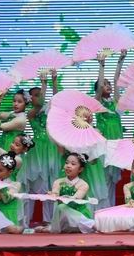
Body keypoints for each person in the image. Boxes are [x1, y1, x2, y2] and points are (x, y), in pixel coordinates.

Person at [22, 68, 63, 225]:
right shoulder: (31, 113)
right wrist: (43, 83)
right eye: (36, 95)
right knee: (35, 184)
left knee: (52, 183)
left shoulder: (49, 110)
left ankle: (50, 220)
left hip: (51, 148)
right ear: (29, 98)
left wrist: (54, 81)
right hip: (38, 150)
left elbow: (57, 99)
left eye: (40, 94)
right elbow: (39, 104)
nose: (40, 97)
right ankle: (26, 219)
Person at [94, 49, 127, 206]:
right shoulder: (98, 102)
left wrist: (121, 58)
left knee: (113, 179)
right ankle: (101, 209)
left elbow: (116, 79)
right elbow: (100, 85)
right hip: (104, 144)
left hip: (117, 144)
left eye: (108, 84)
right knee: (104, 177)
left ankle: (110, 209)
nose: (107, 86)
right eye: (104, 84)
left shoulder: (115, 101)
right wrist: (102, 64)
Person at [36, 153, 94, 233]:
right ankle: (51, 228)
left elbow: (77, 197)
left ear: (80, 169)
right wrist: (52, 195)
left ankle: (89, 224)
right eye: (66, 163)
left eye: (73, 164)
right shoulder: (58, 182)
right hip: (64, 220)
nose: (68, 166)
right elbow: (55, 193)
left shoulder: (83, 184)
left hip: (79, 218)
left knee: (61, 207)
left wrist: (67, 197)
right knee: (61, 207)